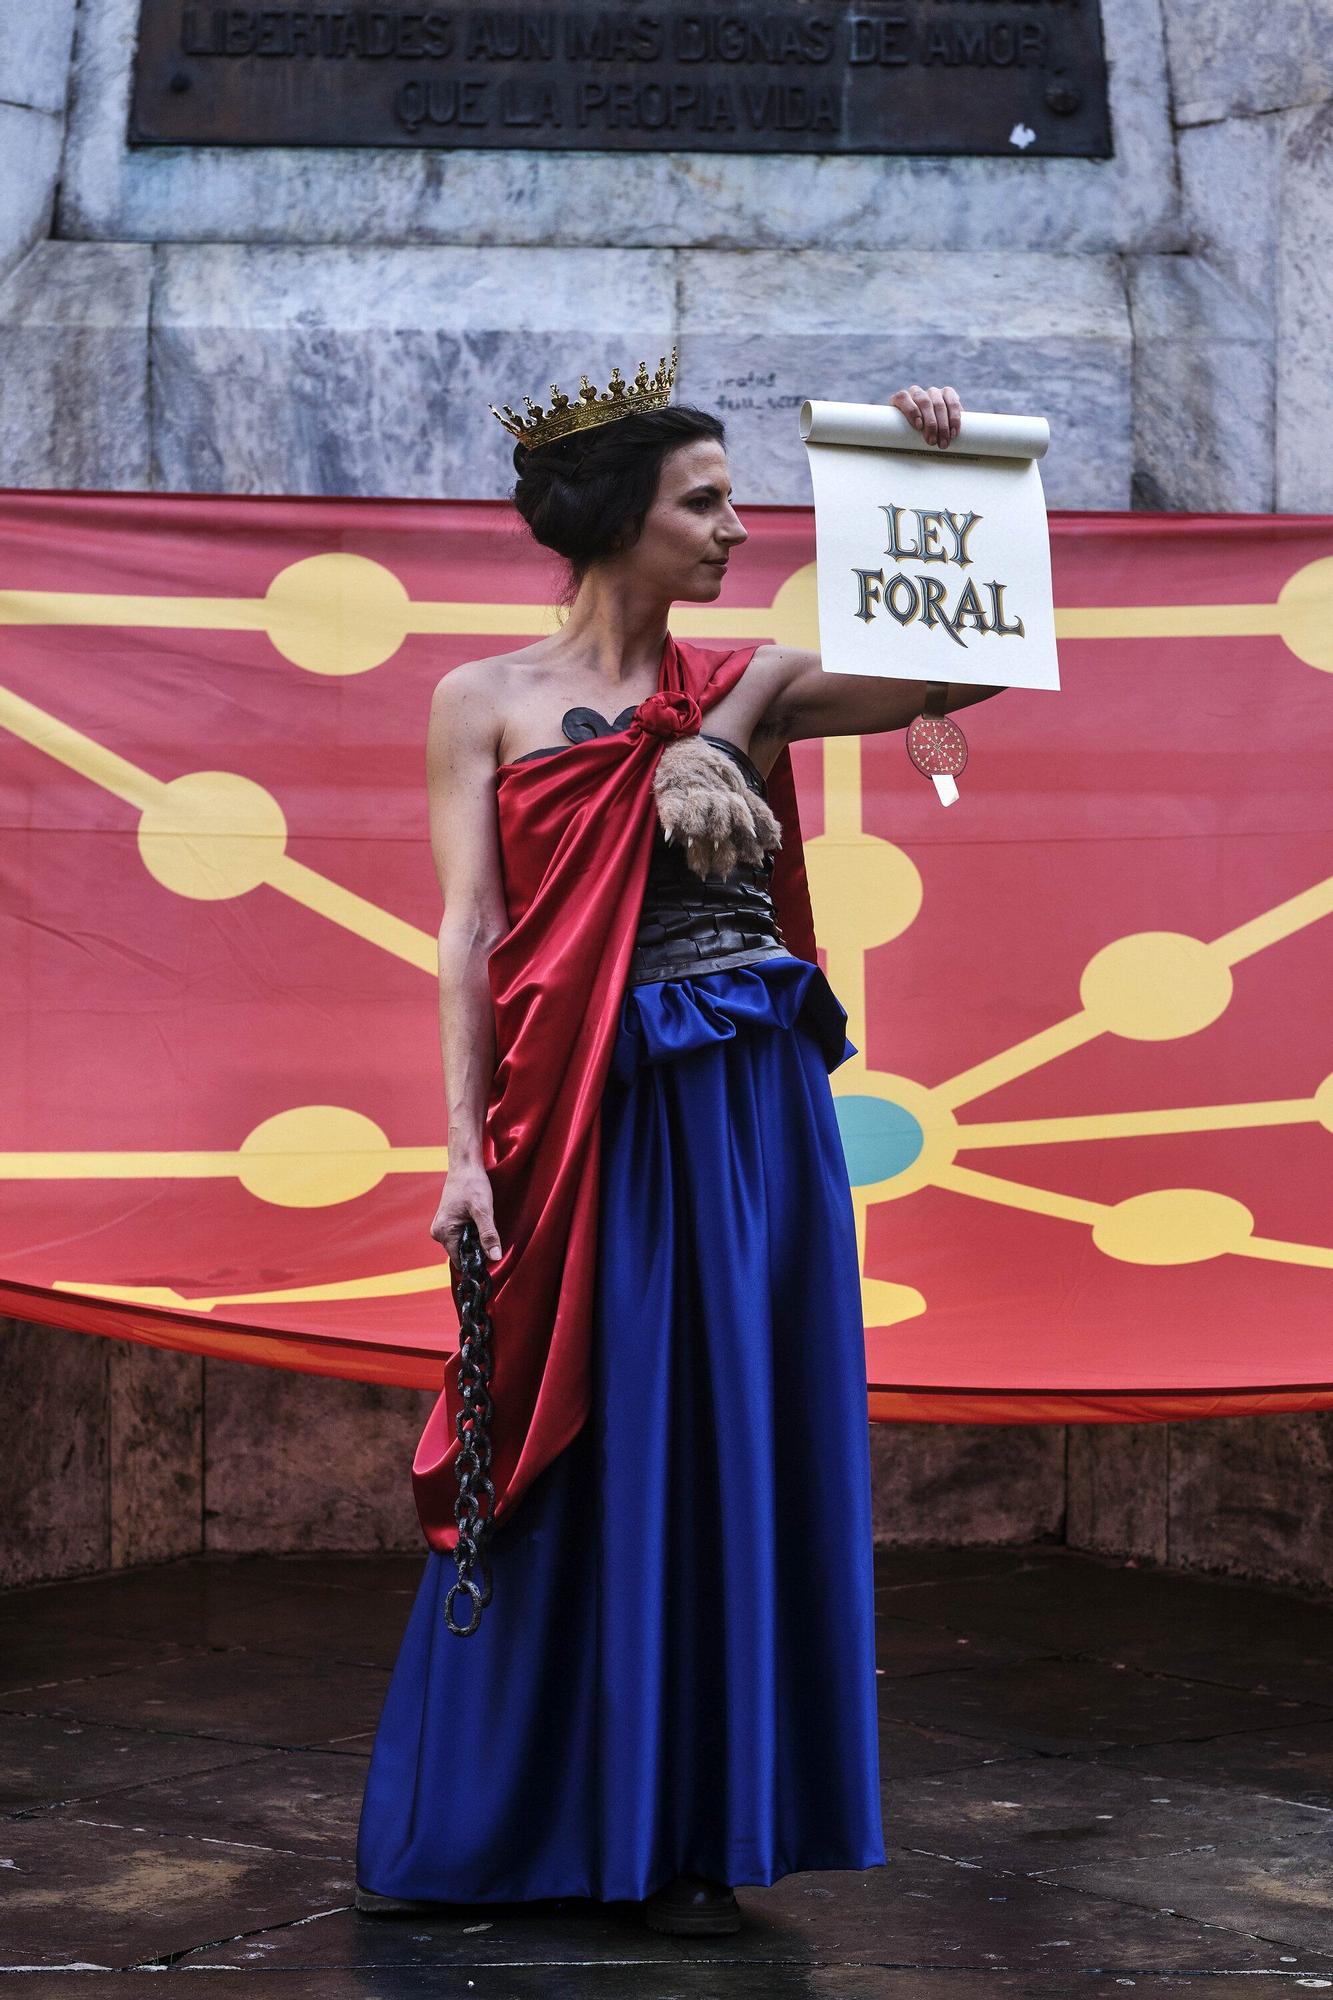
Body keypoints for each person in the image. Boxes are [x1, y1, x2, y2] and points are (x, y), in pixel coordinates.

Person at [354, 364, 1002, 1935]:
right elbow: (469, 933)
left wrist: (941, 481)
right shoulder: (480, 699)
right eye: (702, 501)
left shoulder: (756, 677)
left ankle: (697, 1823)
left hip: (749, 1110)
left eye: (733, 500)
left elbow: (962, 674)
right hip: (583, 1107)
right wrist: (460, 1151)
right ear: (611, 517)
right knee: (584, 1433)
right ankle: (541, 1819)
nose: (734, 527)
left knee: (730, 1434)